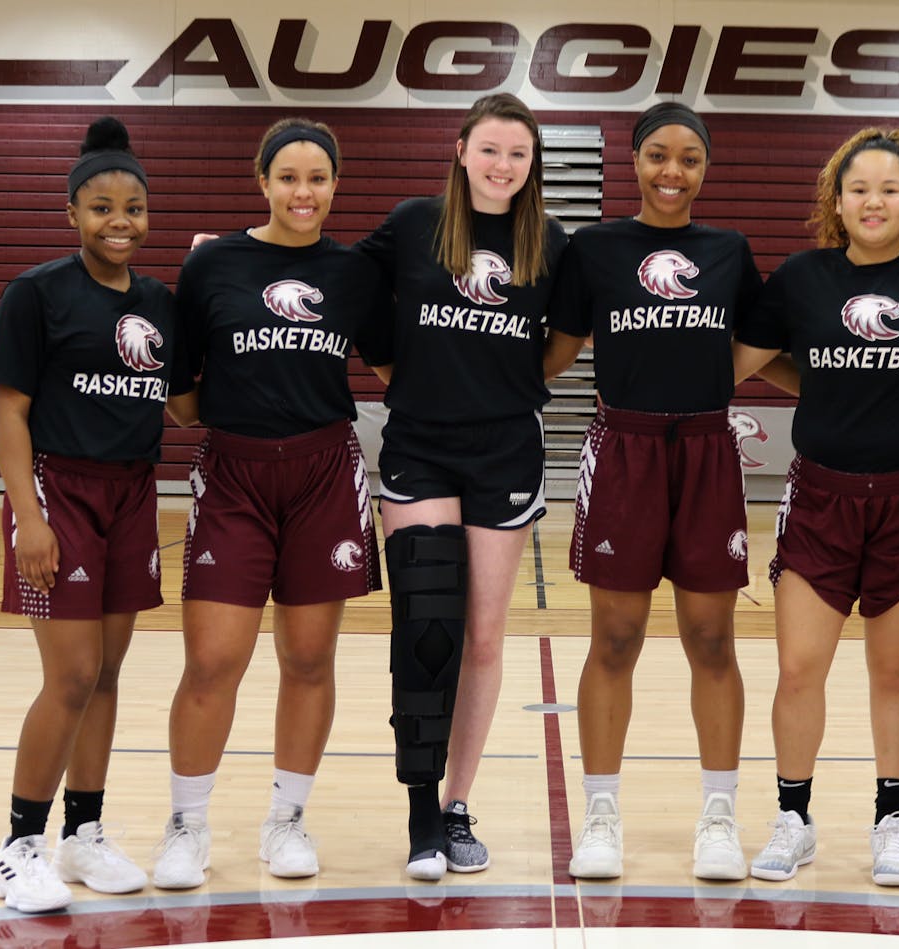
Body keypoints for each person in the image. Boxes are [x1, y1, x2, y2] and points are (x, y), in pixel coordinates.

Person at [731, 127, 899, 887]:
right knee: (799, 663)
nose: (873, 200)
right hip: (820, 492)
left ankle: (891, 820)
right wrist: (816, 383)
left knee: (892, 668)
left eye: (889, 189)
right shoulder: (802, 279)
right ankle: (793, 817)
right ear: (836, 202)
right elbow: (745, 363)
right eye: (859, 189)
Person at [152, 117, 387, 888]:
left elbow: (393, 364)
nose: (303, 192)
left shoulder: (353, 272)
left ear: (334, 186)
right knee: (214, 660)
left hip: (324, 472)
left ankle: (287, 819)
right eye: (288, 177)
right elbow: (181, 385)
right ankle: (186, 824)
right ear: (262, 181)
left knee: (309, 657)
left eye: (317, 178)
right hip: (235, 475)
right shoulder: (215, 263)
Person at [544, 101, 763, 882]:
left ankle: (719, 816)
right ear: (634, 160)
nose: (673, 171)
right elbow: (554, 353)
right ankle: (600, 815)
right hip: (625, 450)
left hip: (706, 451)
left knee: (711, 639)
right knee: (615, 638)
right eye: (659, 155)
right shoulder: (595, 249)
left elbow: (762, 352)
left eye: (690, 159)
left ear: (706, 169)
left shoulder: (729, 251)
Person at [353, 93, 567, 880]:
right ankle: (418, 811)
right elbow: (343, 286)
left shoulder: (548, 240)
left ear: (532, 161)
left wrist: (508, 385)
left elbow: (568, 337)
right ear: (461, 149)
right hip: (419, 444)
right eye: (490, 149)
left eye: (517, 152)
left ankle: (457, 803)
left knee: (480, 635)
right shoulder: (415, 224)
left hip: (505, 451)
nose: (503, 165)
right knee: (425, 627)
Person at [0, 116, 170, 912]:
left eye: (131, 206)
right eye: (101, 207)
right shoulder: (37, 293)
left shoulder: (161, 302)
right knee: (70, 674)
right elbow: (9, 410)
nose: (118, 221)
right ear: (72, 212)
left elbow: (184, 396)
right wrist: (29, 516)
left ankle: (82, 834)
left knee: (108, 673)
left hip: (133, 491)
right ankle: (17, 845)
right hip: (60, 489)